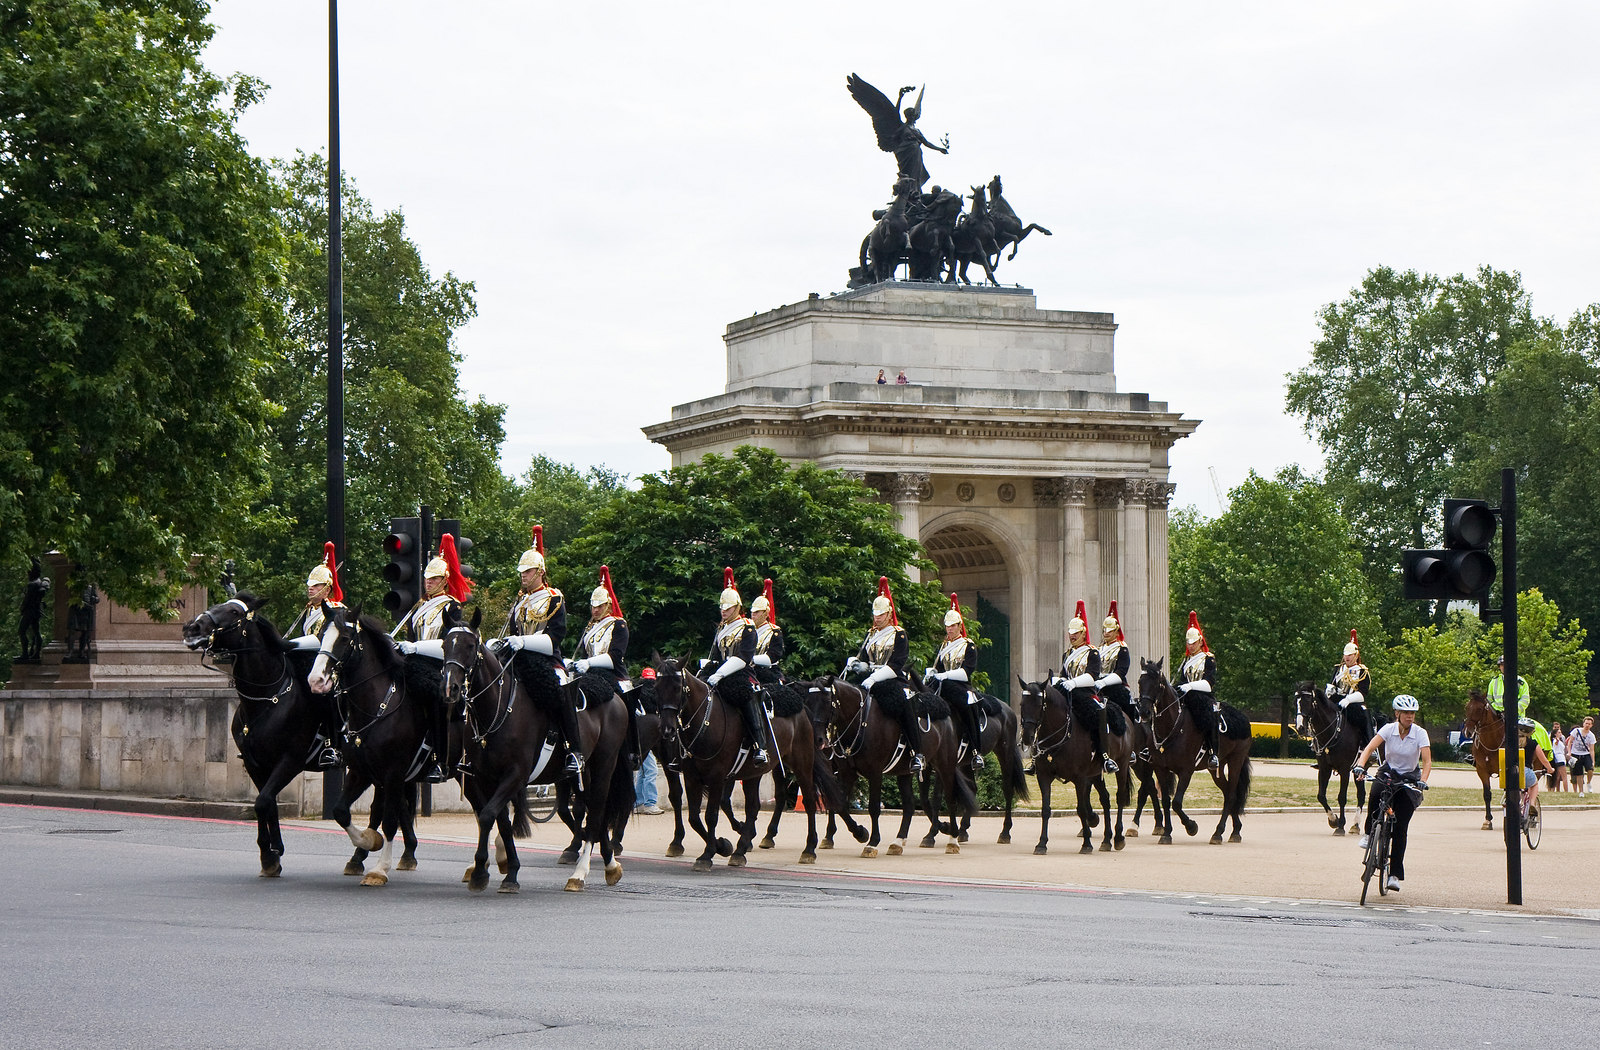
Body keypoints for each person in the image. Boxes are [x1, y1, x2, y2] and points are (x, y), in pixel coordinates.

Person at [493, 528, 575, 776]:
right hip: (518, 660)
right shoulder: (520, 602)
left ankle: (574, 750)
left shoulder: (553, 598)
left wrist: (524, 642)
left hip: (547, 661)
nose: (523, 576)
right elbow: (512, 632)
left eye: (527, 571)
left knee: (563, 691)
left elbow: (554, 638)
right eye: (521, 572)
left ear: (540, 572)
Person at [394, 535, 469, 783]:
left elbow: (449, 646)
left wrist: (414, 648)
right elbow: (411, 640)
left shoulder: (452, 607)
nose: (428, 583)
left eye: (434, 579)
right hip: (415, 664)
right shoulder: (418, 608)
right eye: (427, 578)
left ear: (445, 580)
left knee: (439, 699)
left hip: (440, 666)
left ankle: (440, 759)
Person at [1352, 694, 1431, 893]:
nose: (1410, 717)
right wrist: (1360, 766)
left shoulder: (1420, 733)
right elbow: (1369, 748)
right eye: (1405, 713)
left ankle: (1394, 875)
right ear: (1397, 714)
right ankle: (1370, 834)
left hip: (1409, 776)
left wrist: (1423, 781)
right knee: (1375, 793)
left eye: (1412, 713)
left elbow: (1427, 761)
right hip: (1389, 772)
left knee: (1401, 827)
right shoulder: (1388, 729)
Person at [846, 577, 924, 775]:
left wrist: (873, 677)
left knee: (905, 703)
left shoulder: (899, 634)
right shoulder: (870, 634)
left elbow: (897, 664)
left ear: (889, 614)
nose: (877, 618)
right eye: (875, 614)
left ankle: (917, 753)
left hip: (891, 679)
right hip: (869, 679)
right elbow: (865, 661)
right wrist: (855, 664)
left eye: (880, 614)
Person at [286, 542, 347, 768]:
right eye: (310, 585)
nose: (310, 589)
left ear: (327, 588)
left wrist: (289, 645)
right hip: (307, 663)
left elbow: (324, 640)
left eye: (316, 585)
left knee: (328, 697)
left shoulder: (336, 610)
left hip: (328, 666)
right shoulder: (308, 610)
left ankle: (333, 745)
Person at [568, 567, 631, 778]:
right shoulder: (590, 627)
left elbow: (615, 657)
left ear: (608, 605)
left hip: (613, 675)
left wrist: (588, 663)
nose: (595, 610)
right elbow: (585, 653)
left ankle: (633, 749)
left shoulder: (618, 625)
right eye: (593, 606)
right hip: (590, 675)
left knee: (628, 706)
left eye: (600, 606)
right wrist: (574, 663)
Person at [704, 568, 771, 766]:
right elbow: (715, 655)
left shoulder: (747, 627)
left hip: (742, 674)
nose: (723, 610)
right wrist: (705, 670)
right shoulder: (721, 629)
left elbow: (743, 658)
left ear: (737, 607)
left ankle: (761, 746)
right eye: (722, 607)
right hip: (720, 672)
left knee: (747, 696)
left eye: (728, 608)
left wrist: (720, 673)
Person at [1058, 600, 1115, 773]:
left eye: (1076, 633)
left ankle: (1105, 757)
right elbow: (1063, 675)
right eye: (1070, 633)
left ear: (1083, 633)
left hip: (1084, 695)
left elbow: (1092, 676)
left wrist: (1073, 683)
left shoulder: (1092, 652)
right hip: (1067, 694)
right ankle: (1040, 753)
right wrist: (1059, 681)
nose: (1072, 636)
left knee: (1099, 714)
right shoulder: (1067, 654)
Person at [927, 593, 982, 769]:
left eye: (952, 626)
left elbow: (966, 673)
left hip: (960, 686)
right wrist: (933, 672)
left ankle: (976, 751)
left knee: (967, 706)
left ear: (959, 626)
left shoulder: (968, 645)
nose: (949, 629)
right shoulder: (943, 646)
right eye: (947, 626)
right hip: (943, 685)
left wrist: (946, 675)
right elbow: (939, 668)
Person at [1176, 610, 1221, 770]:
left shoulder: (1208, 658)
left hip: (1203, 696)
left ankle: (1212, 752)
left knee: (1209, 716)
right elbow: (1181, 680)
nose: (1190, 646)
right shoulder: (1186, 661)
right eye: (1188, 643)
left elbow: (1209, 683)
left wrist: (1190, 686)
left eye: (1193, 643)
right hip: (1186, 697)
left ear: (1200, 642)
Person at [1327, 629, 1372, 748]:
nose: (1347, 657)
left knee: (1364, 717)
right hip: (1336, 699)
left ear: (1356, 655)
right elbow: (1333, 684)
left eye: (1350, 655)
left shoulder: (1362, 671)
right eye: (1345, 655)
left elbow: (1363, 693)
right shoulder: (1338, 669)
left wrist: (1348, 700)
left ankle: (1368, 745)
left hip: (1353, 703)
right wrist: (1329, 690)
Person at [1096, 601, 1137, 727]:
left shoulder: (1122, 649)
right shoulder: (1097, 649)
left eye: (1110, 630)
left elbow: (1121, 672)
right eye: (1104, 630)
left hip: (1115, 685)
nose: (1106, 633)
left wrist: (1104, 681)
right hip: (1097, 685)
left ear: (1116, 631)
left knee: (1126, 705)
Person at [633, 667, 662, 814]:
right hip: (647, 736)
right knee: (651, 770)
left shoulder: (636, 693)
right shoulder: (655, 696)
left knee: (643, 771)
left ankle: (638, 803)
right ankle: (650, 803)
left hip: (638, 736)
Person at [1515, 717, 1555, 815]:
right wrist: (1550, 769)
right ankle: (1532, 804)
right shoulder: (1533, 744)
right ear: (1531, 732)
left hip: (1510, 772)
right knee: (1534, 784)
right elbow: (1544, 760)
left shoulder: (1510, 742)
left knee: (1515, 788)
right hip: (1525, 771)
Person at [749, 580, 785, 686]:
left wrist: (750, 659)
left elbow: (774, 655)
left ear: (765, 613)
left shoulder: (774, 632)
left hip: (767, 672)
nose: (753, 615)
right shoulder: (747, 629)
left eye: (757, 612)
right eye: (752, 612)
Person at [1486, 654, 1530, 719]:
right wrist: (1496, 711)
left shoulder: (1520, 682)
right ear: (1499, 667)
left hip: (1516, 717)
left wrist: (1512, 710)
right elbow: (1489, 700)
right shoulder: (1494, 681)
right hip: (1497, 716)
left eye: (1506, 664)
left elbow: (1525, 700)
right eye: (1502, 665)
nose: (1504, 667)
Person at [1567, 716, 1596, 797]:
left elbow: (1592, 749)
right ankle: (1581, 791)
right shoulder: (1576, 731)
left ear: (1591, 725)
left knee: (1590, 769)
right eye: (1586, 723)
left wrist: (1593, 760)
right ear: (1583, 723)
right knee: (1579, 774)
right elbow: (1570, 742)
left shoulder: (1591, 736)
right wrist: (1569, 752)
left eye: (1589, 724)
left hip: (1586, 754)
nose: (1587, 725)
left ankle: (1589, 782)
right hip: (1576, 754)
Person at [1551, 721, 1569, 793]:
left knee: (1557, 776)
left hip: (1560, 758)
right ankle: (1566, 791)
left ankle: (1556, 790)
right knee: (1564, 776)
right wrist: (1557, 738)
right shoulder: (1556, 740)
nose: (1560, 734)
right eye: (1559, 732)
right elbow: (1556, 743)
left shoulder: (1561, 740)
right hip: (1560, 759)